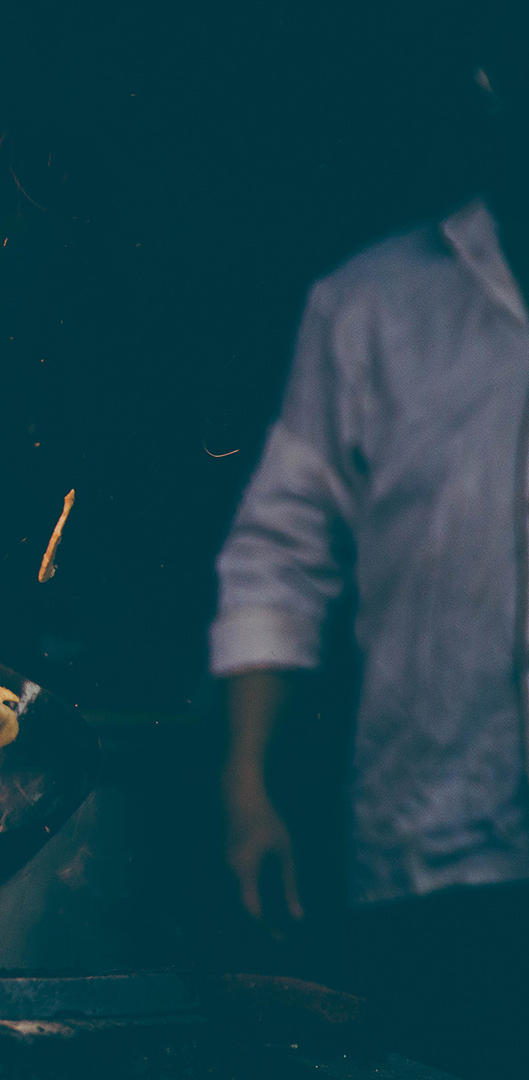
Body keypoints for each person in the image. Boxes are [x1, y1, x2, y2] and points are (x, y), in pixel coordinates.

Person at [212, 15, 529, 1077]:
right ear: (493, 88)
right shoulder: (371, 308)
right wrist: (248, 781)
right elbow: (278, 554)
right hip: (430, 849)